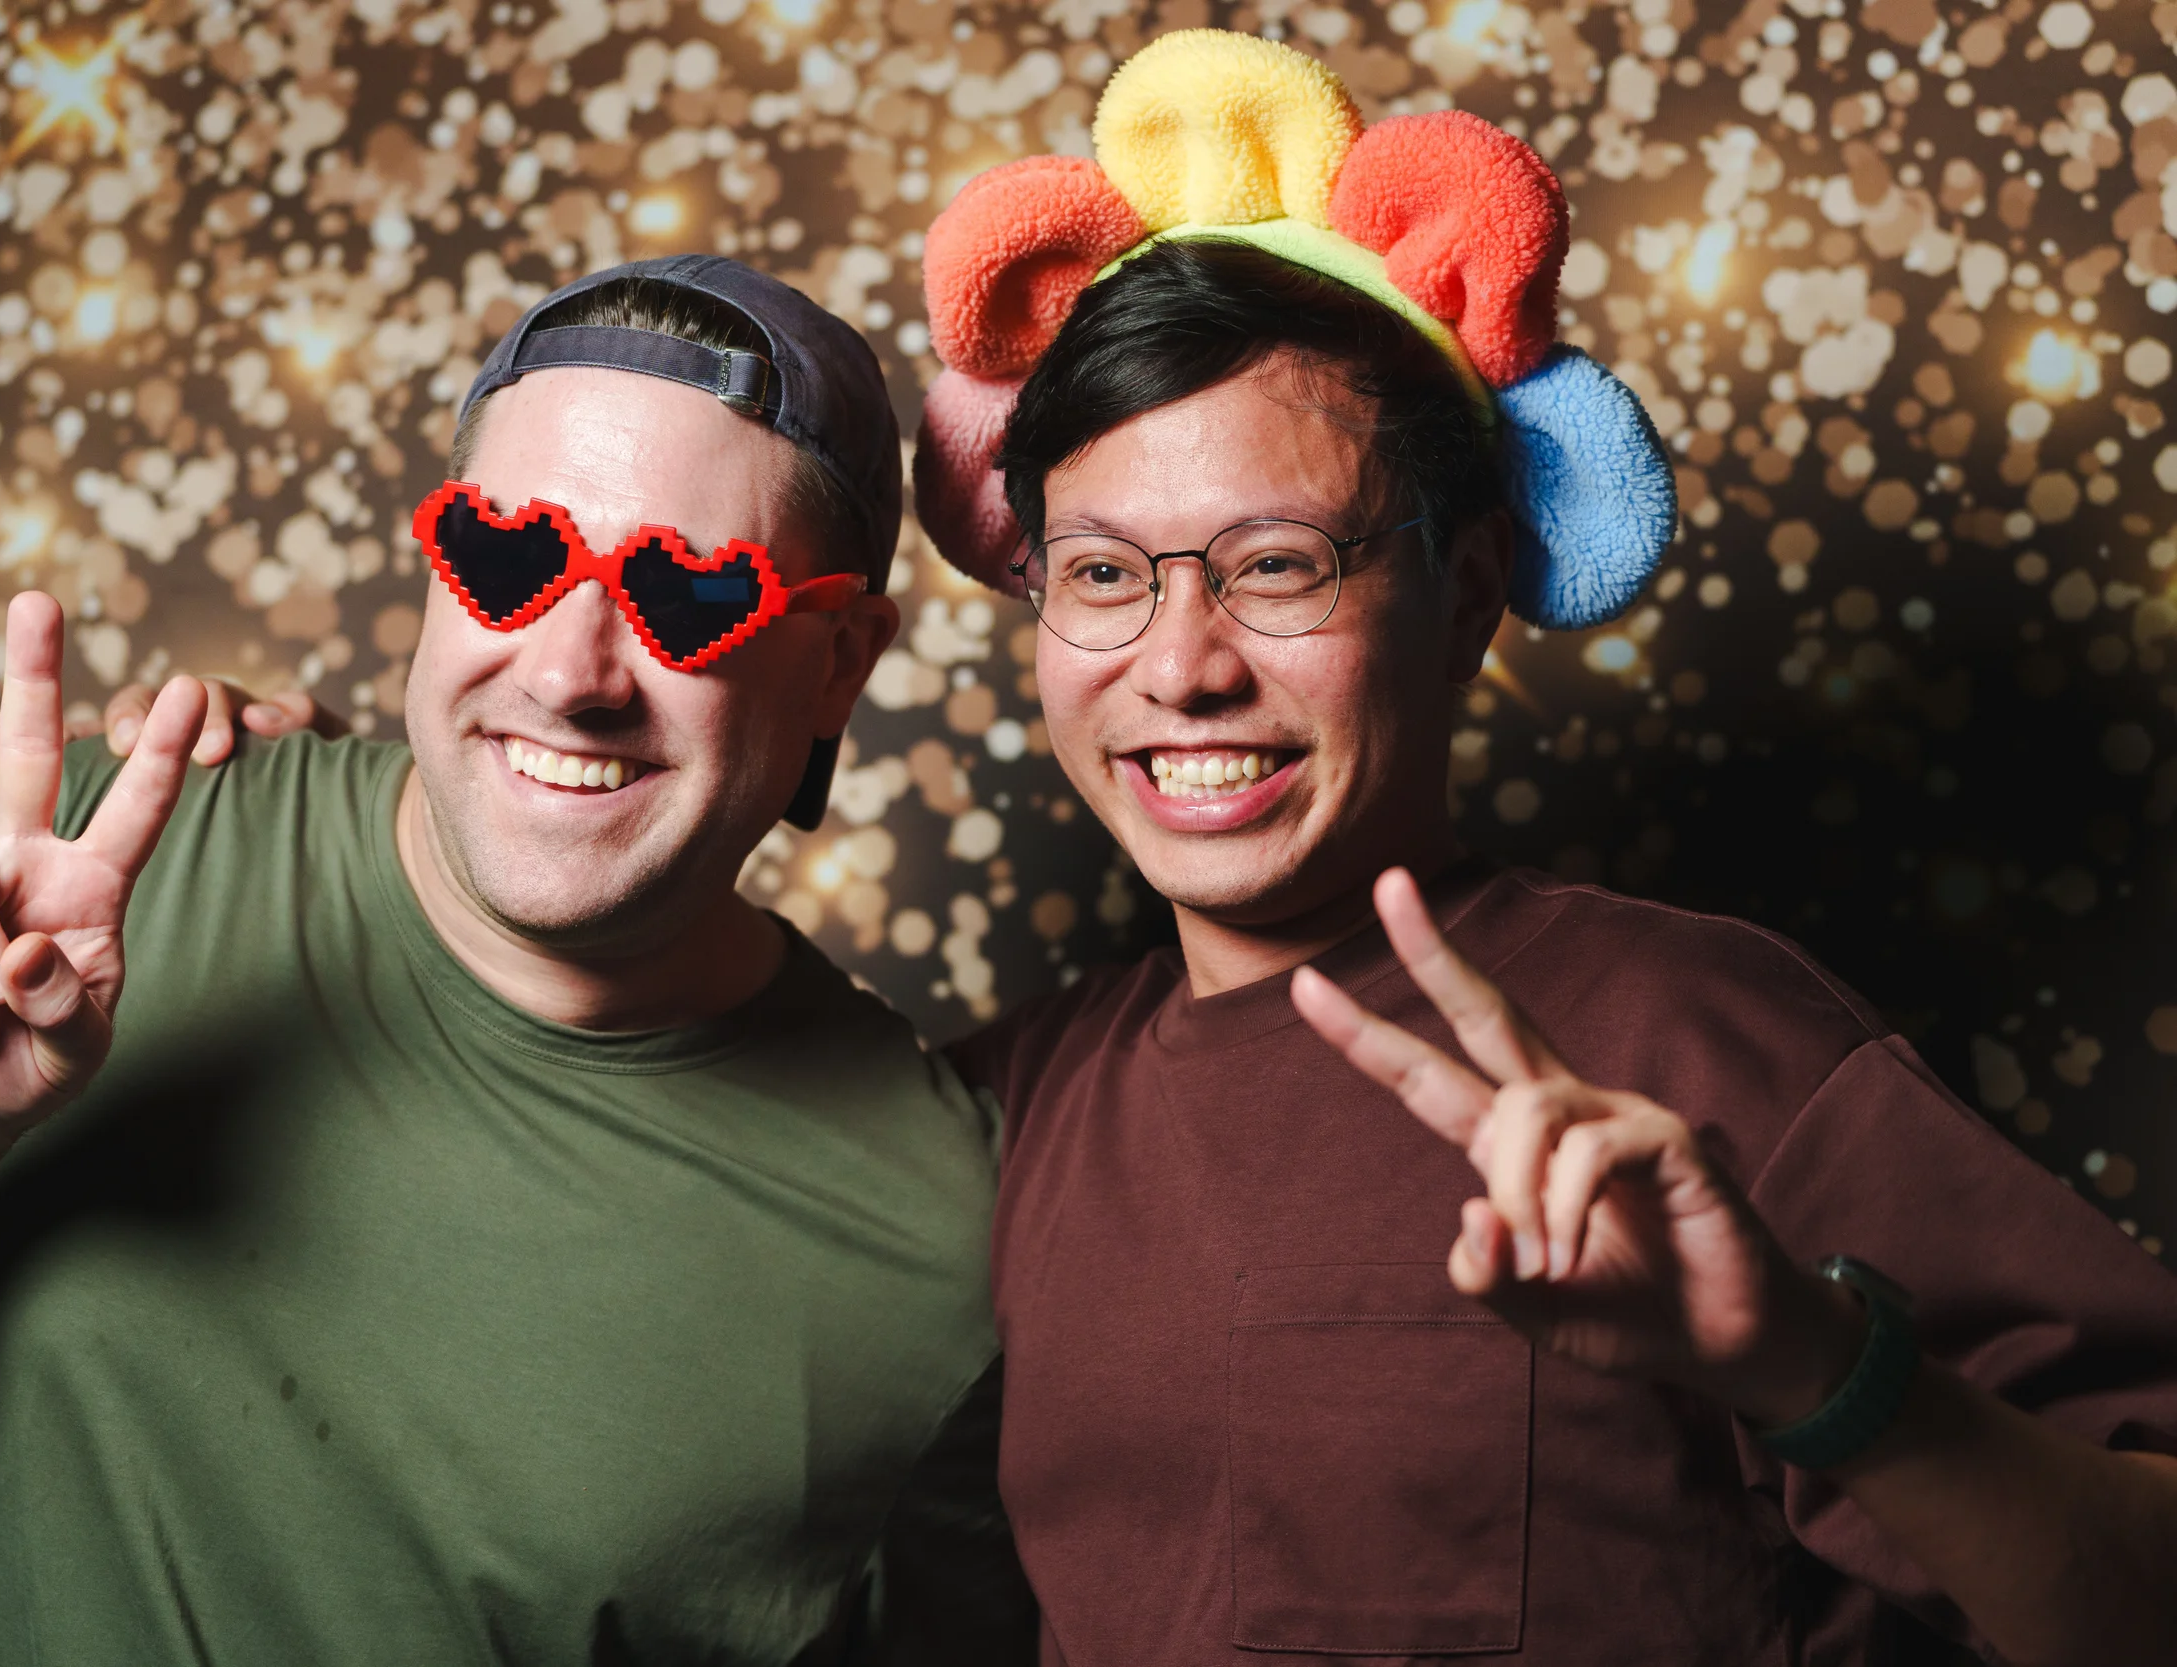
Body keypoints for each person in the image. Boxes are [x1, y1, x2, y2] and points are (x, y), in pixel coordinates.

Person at [907, 31, 2177, 1667]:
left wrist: (1815, 1366)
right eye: (1101, 574)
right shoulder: (1001, 1108)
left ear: (1468, 602)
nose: (1181, 664)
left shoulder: (1705, 1039)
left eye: (1278, 564)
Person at [0, 256, 1036, 1664]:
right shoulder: (94, 879)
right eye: (509, 556)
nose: (568, 674)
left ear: (840, 660)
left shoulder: (941, 1242)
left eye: (686, 592)